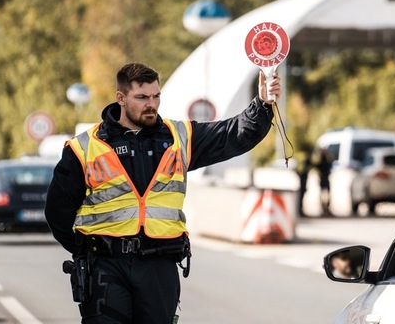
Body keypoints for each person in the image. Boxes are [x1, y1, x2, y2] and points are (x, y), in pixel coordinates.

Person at [44, 62, 280, 324]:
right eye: (142, 97)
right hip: (106, 264)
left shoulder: (180, 137)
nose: (151, 104)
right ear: (121, 98)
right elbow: (58, 211)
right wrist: (85, 252)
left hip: (159, 264)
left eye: (156, 96)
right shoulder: (84, 147)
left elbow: (233, 134)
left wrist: (262, 104)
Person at [314, 148, 332, 216]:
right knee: (323, 195)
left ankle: (326, 208)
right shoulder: (321, 159)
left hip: (325, 179)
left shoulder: (326, 159)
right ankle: (323, 208)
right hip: (323, 179)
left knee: (326, 195)